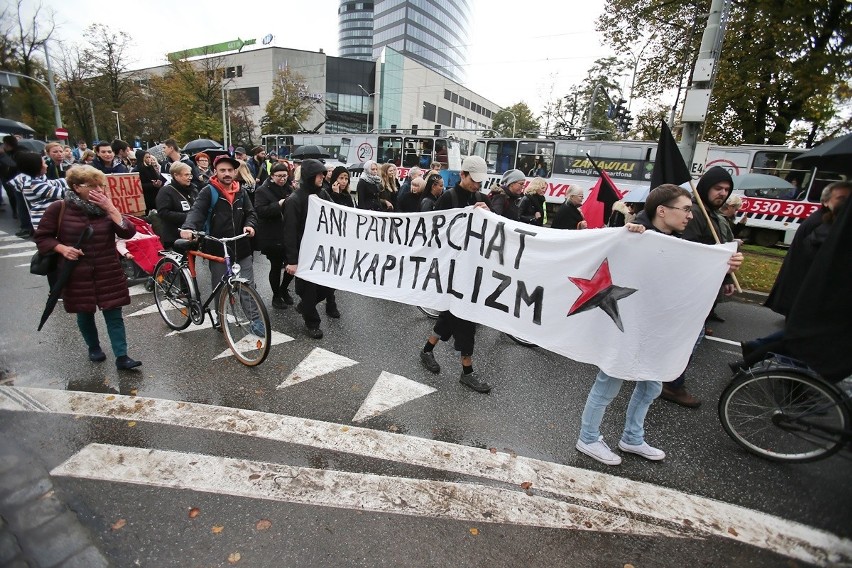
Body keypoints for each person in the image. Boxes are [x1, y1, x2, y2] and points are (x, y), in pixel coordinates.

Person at [575, 184, 744, 465]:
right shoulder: (634, 235)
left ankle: (632, 438)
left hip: (657, 328)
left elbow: (688, 274)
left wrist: (723, 266)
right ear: (662, 211)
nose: (691, 215)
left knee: (652, 385)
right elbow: (598, 252)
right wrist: (629, 232)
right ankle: (588, 438)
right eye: (686, 209)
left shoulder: (678, 240)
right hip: (625, 325)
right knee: (608, 384)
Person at [33, 165, 142, 370]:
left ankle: (122, 356)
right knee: (84, 312)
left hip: (107, 268)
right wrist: (62, 249)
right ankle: (94, 347)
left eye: (101, 186)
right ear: (76, 187)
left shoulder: (105, 207)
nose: (100, 190)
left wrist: (111, 209)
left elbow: (128, 232)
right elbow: (42, 237)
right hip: (77, 273)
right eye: (92, 186)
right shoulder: (59, 208)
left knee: (113, 313)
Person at [418, 155, 493, 393]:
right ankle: (467, 371)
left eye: (481, 182)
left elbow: (495, 230)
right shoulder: (448, 198)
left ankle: (427, 350)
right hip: (451, 270)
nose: (477, 186)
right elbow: (434, 232)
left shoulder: (482, 198)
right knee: (465, 319)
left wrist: (488, 214)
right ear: (463, 174)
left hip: (472, 269)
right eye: (474, 180)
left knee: (450, 315)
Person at [664, 166, 737, 407]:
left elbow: (721, 250)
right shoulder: (695, 215)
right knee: (687, 340)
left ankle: (667, 378)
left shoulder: (715, 215)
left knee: (690, 338)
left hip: (706, 289)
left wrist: (726, 276)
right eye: (718, 188)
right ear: (706, 188)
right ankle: (672, 384)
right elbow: (689, 252)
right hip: (691, 291)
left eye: (727, 190)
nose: (723, 194)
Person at [179, 155, 258, 325]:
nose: (227, 173)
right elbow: (197, 211)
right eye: (223, 170)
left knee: (248, 287)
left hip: (242, 247)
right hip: (218, 247)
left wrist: (250, 225)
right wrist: (189, 227)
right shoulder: (209, 191)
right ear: (216, 172)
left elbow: (251, 213)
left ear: (235, 171)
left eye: (230, 170)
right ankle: (221, 320)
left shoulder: (241, 191)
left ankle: (256, 321)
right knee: (221, 288)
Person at [765, 180, 851, 318]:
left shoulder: (822, 219)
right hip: (805, 295)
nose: (846, 203)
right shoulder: (823, 223)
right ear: (825, 201)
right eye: (841, 199)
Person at [284, 159, 339, 339]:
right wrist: (292, 260)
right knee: (308, 290)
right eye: (319, 174)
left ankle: (305, 306)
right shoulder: (294, 200)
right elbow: (290, 232)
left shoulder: (322, 193)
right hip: (303, 253)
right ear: (309, 176)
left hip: (321, 251)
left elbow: (335, 212)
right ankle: (312, 323)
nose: (323, 177)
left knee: (327, 288)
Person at [254, 163, 295, 309]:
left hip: (289, 233)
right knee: (276, 266)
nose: (282, 179)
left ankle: (284, 289)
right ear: (272, 176)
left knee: (293, 264)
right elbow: (260, 211)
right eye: (279, 176)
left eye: (285, 176)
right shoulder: (262, 191)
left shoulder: (290, 188)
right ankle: (276, 295)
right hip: (272, 235)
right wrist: (278, 205)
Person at [155, 162, 196, 249]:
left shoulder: (193, 190)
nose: (189, 178)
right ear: (176, 175)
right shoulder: (166, 191)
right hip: (173, 237)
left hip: (192, 235)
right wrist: (188, 216)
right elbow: (163, 213)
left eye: (190, 175)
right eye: (186, 175)